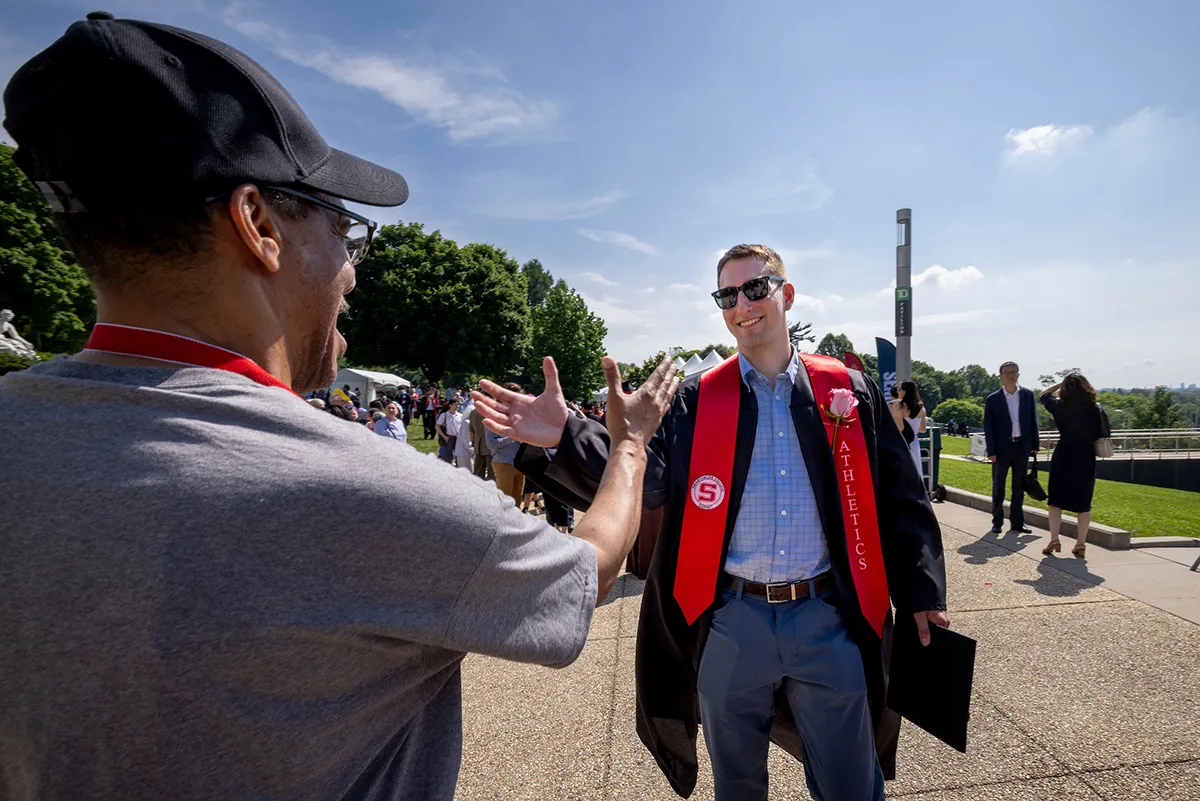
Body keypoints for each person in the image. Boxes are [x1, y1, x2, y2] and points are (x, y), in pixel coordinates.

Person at [0, 13, 680, 800]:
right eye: (344, 230)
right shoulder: (363, 493)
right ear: (258, 224)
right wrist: (627, 446)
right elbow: (584, 574)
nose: (351, 273)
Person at [476, 244, 947, 801]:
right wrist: (566, 436)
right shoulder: (700, 399)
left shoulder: (845, 391)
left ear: (786, 295)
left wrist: (922, 588)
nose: (742, 305)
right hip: (732, 620)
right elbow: (644, 478)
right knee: (737, 786)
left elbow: (899, 495)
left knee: (850, 783)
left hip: (828, 615)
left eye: (755, 288)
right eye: (728, 295)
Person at [1039, 374, 1106, 558]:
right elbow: (1101, 433)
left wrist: (1059, 384)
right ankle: (1080, 543)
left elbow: (1043, 395)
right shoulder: (1094, 409)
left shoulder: (1060, 406)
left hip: (1064, 454)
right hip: (1085, 456)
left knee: (1055, 502)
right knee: (1084, 504)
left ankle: (1054, 538)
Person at [984, 361, 1040, 535]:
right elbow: (989, 426)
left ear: (1018, 375)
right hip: (1001, 449)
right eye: (1006, 373)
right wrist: (991, 450)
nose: (1010, 376)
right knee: (998, 487)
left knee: (1019, 487)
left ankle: (1017, 522)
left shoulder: (1027, 395)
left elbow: (1033, 421)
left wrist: (1035, 445)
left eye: (1013, 372)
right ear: (1000, 376)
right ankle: (997, 522)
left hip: (1022, 446)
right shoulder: (993, 399)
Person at [487, 382, 529, 505]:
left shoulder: (518, 416)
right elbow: (491, 444)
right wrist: (511, 436)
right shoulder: (494, 416)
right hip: (504, 463)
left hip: (519, 464)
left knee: (517, 503)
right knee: (504, 504)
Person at [890, 380, 926, 479]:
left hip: (901, 442)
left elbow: (900, 428)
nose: (897, 391)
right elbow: (922, 429)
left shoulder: (897, 406)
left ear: (905, 392)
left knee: (901, 471)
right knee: (916, 469)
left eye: (899, 389)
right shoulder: (921, 408)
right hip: (914, 441)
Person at [469, 391, 493, 480]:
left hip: (478, 445)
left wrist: (473, 443)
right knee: (492, 474)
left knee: (478, 472)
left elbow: (471, 431)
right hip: (491, 446)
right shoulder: (491, 413)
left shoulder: (473, 412)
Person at [436, 398, 461, 463]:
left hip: (459, 439)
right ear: (450, 405)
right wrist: (444, 437)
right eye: (455, 405)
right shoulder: (444, 415)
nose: (457, 406)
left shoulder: (460, 415)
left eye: (458, 405)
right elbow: (437, 426)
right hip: (449, 438)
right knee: (448, 458)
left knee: (459, 457)